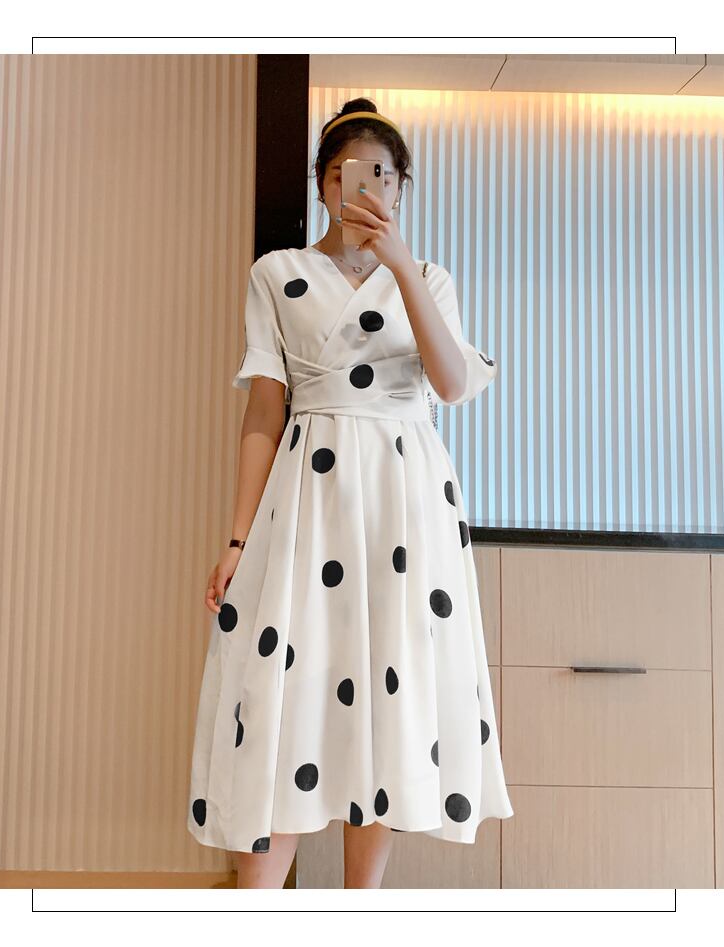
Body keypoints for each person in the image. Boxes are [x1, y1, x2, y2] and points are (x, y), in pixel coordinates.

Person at [187, 97, 514, 889]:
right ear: (322, 184)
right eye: (344, 173)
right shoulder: (279, 273)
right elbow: (264, 411)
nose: (364, 187)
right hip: (310, 501)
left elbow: (451, 382)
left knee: (385, 700)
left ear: (401, 186)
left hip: (402, 508)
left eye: (382, 174)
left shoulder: (428, 278)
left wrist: (400, 265)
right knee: (287, 699)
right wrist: (236, 540)